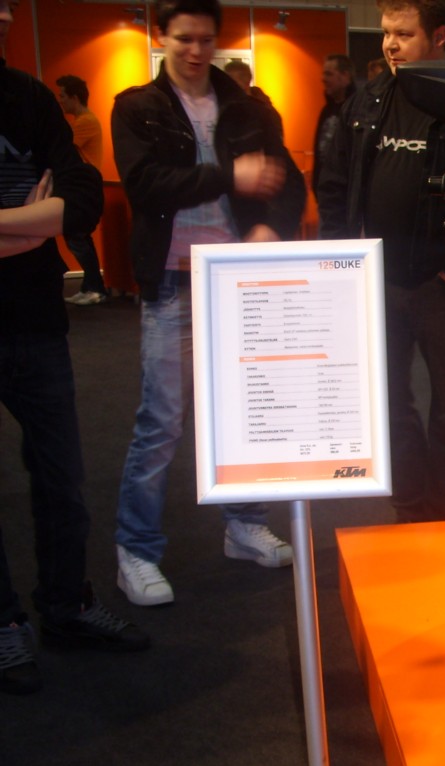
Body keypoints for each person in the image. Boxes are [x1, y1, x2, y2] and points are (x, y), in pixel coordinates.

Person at [111, 0, 305, 607]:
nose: (196, 51)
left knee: (245, 415)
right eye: (184, 39)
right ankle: (136, 549)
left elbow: (287, 181)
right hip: (173, 280)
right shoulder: (136, 107)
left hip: (239, 281)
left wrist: (272, 226)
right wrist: (228, 176)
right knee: (162, 421)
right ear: (161, 36)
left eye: (205, 40)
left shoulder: (245, 106)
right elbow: (145, 186)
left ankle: (244, 523)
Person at [317, 0, 445, 523]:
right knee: (388, 402)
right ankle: (408, 505)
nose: (390, 44)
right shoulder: (368, 100)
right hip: (378, 282)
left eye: (403, 34)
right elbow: (334, 184)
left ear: (439, 36)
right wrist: (340, 262)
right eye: (386, 33)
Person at [1, 0, 151, 699]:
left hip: (35, 322)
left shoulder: (28, 98)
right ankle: (4, 624)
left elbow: (83, 196)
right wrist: (28, 223)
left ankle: (66, 606)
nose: (5, 16)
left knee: (62, 479)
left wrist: (30, 226)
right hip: (30, 304)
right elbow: (58, 209)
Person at [53, 74, 107, 308]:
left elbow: (63, 149)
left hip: (84, 189)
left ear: (74, 97)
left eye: (63, 96)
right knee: (78, 238)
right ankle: (91, 286)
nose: (60, 100)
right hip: (81, 188)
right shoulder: (82, 121)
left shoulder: (85, 122)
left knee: (78, 238)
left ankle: (95, 288)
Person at [313, 53, 356, 198]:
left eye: (329, 74)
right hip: (326, 194)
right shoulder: (327, 110)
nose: (323, 79)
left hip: (346, 195)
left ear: (345, 76)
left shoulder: (358, 110)